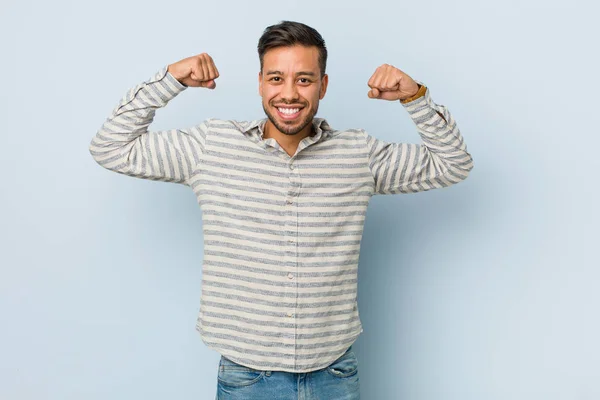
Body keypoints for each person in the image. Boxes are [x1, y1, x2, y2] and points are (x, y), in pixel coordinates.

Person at [89, 20, 473, 400]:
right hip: (247, 377)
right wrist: (169, 80)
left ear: (323, 85)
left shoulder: (358, 154)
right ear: (260, 82)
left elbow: (452, 164)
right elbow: (111, 147)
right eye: (276, 79)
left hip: (334, 374)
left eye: (304, 80)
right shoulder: (212, 147)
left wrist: (416, 97)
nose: (289, 94)